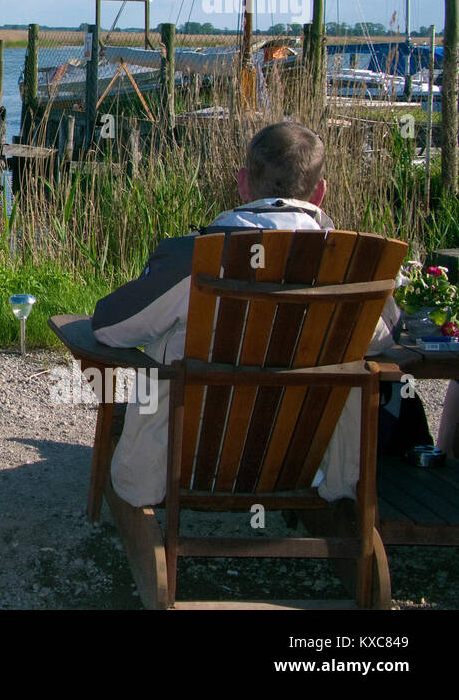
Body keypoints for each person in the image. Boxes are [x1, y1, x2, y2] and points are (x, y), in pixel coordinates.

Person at [91, 120, 400, 507]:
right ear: (319, 193)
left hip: (193, 456)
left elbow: (111, 329)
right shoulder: (355, 268)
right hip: (304, 462)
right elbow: (386, 335)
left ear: (242, 183)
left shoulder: (198, 257)